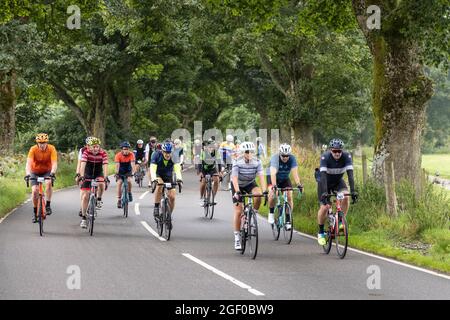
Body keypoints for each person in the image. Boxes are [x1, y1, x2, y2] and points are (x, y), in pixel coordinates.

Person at [316, 138, 358, 245]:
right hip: (324, 182)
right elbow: (324, 176)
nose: (337, 153)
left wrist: (353, 191)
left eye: (339, 151)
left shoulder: (346, 156)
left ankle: (340, 222)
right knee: (325, 207)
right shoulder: (325, 157)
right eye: (335, 151)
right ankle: (320, 232)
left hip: (338, 182)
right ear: (330, 150)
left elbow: (350, 175)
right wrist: (325, 192)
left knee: (346, 197)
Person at [230, 142, 267, 250]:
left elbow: (261, 176)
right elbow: (234, 179)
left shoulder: (257, 162)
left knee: (258, 194)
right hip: (238, 185)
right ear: (242, 153)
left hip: (250, 183)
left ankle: (253, 214)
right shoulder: (237, 162)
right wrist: (237, 192)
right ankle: (237, 237)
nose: (249, 154)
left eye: (251, 152)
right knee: (238, 211)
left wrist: (264, 190)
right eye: (247, 152)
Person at [267, 144, 303, 230]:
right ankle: (271, 213)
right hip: (273, 177)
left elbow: (295, 173)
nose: (285, 157)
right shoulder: (275, 159)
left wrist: (298, 184)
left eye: (287, 156)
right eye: (283, 155)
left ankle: (287, 220)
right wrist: (274, 186)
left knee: (289, 195)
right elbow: (273, 173)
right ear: (280, 154)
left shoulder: (292, 159)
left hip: (284, 179)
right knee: (273, 193)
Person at [25, 133, 58, 223]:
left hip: (47, 171)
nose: (42, 145)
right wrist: (28, 174)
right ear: (37, 143)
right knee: (35, 191)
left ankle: (48, 205)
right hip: (34, 171)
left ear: (47, 142)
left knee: (48, 183)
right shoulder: (33, 149)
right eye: (40, 143)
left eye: (44, 143)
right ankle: (35, 212)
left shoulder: (51, 148)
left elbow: (54, 163)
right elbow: (28, 163)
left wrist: (52, 173)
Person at [78, 137, 109, 229]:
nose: (95, 149)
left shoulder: (103, 153)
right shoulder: (86, 152)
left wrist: (106, 177)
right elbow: (83, 165)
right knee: (85, 196)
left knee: (101, 183)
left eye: (97, 147)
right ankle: (83, 218)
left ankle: (99, 199)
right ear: (89, 147)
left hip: (98, 173)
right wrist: (82, 176)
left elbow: (105, 165)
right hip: (87, 173)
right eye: (93, 147)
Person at [150, 141, 183, 220]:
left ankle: (168, 216)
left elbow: (177, 169)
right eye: (166, 152)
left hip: (168, 176)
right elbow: (152, 169)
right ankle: (156, 207)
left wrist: (179, 179)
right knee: (160, 185)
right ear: (162, 151)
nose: (168, 154)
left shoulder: (175, 156)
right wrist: (154, 179)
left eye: (169, 152)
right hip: (158, 174)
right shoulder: (156, 155)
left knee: (172, 197)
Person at [198, 140, 222, 207]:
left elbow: (219, 162)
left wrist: (220, 172)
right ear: (207, 147)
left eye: (212, 147)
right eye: (209, 147)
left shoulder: (216, 152)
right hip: (204, 169)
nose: (211, 149)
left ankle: (213, 197)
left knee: (217, 180)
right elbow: (200, 162)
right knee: (203, 182)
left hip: (212, 169)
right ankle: (201, 198)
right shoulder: (203, 152)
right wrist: (200, 172)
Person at [115, 141, 136, 208]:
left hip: (128, 170)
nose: (126, 150)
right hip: (120, 170)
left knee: (129, 181)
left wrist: (133, 173)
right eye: (124, 149)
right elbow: (117, 166)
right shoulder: (118, 155)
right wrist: (117, 173)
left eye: (127, 149)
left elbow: (133, 165)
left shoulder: (131, 154)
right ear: (122, 149)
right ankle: (119, 200)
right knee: (119, 183)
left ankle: (129, 193)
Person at [75, 137, 93, 217]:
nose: (90, 147)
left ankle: (95, 199)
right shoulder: (82, 150)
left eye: (92, 145)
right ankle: (82, 206)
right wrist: (78, 174)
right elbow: (79, 163)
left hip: (95, 169)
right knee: (84, 191)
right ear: (86, 145)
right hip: (84, 169)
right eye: (88, 145)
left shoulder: (97, 150)